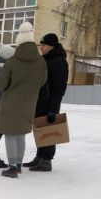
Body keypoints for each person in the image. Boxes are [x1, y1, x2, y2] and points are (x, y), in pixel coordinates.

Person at [0, 22, 48, 178]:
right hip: (29, 103)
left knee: (10, 134)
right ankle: (18, 165)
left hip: (10, 104)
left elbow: (1, 84)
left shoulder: (11, 62)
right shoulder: (41, 62)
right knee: (21, 135)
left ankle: (11, 167)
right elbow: (43, 81)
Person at [24, 32, 69, 172]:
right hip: (39, 102)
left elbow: (59, 88)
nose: (41, 47)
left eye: (43, 45)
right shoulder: (46, 60)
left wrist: (53, 109)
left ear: (51, 46)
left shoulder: (59, 61)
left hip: (50, 103)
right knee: (39, 130)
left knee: (49, 131)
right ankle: (39, 157)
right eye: (40, 44)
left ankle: (46, 161)